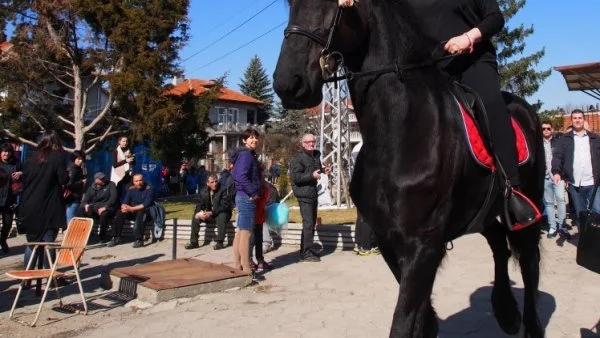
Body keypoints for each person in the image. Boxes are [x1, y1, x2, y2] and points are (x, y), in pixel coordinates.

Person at [402, 0, 539, 228]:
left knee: (490, 103)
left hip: (472, 61)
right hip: (431, 68)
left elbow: (495, 18)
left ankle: (512, 190)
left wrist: (468, 37)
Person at [19, 130, 68, 268]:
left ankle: (27, 276)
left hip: (30, 205)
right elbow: (63, 179)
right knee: (48, 242)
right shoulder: (57, 158)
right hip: (49, 206)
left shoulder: (30, 159)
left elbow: (25, 180)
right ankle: (49, 276)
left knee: (32, 243)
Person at [552, 109, 600, 236]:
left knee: (597, 211)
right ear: (572, 120)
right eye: (575, 118)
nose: (577, 120)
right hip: (575, 184)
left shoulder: (595, 138)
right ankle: (585, 241)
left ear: (584, 120)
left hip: (593, 183)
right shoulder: (564, 139)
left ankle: (596, 241)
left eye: (580, 118)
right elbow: (557, 157)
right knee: (580, 214)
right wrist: (556, 172)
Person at [290, 133, 331, 262]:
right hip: (303, 193)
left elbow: (316, 169)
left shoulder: (315, 155)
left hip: (313, 193)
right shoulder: (298, 158)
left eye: (312, 141)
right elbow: (296, 178)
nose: (310, 144)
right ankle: (306, 253)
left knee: (311, 223)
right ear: (302, 143)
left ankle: (307, 249)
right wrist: (312, 176)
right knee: (308, 223)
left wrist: (324, 170)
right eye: (307, 142)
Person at [230, 128, 261, 275]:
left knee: (240, 232)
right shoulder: (246, 155)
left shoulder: (245, 155)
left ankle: (237, 266)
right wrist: (253, 192)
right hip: (246, 197)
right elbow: (240, 176)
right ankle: (246, 268)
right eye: (251, 138)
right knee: (246, 233)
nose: (254, 140)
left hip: (242, 196)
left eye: (256, 137)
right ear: (244, 140)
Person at [185, 174, 232, 250]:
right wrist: (199, 213)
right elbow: (199, 204)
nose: (215, 184)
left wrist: (211, 212)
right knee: (195, 217)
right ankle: (194, 242)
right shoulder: (203, 191)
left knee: (221, 215)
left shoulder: (223, 189)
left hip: (221, 214)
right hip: (210, 215)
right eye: (212, 182)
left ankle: (220, 242)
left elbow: (224, 206)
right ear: (207, 183)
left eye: (216, 181)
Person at [110, 173, 154, 248]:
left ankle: (139, 240)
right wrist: (124, 207)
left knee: (141, 212)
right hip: (133, 211)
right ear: (133, 182)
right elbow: (125, 202)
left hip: (146, 212)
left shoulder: (149, 189)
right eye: (136, 181)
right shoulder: (131, 189)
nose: (139, 183)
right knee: (119, 212)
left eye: (140, 180)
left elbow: (145, 204)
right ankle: (116, 237)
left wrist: (131, 208)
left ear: (143, 180)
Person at [541, 122, 568, 239]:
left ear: (552, 129)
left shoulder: (559, 142)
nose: (546, 130)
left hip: (558, 176)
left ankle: (562, 226)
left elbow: (564, 160)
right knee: (549, 202)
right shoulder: (538, 144)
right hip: (545, 177)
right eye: (543, 129)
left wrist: (566, 176)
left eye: (548, 128)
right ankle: (552, 226)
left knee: (561, 200)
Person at [78, 172, 117, 242]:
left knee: (104, 214)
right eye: (101, 179)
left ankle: (102, 236)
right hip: (95, 207)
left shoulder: (111, 184)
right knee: (81, 210)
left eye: (104, 178)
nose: (103, 180)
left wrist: (105, 207)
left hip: (107, 207)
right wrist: (86, 205)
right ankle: (84, 232)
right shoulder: (92, 188)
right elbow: (85, 200)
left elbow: (113, 198)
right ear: (96, 180)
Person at [0, 143, 22, 253]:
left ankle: (3, 240)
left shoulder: (16, 163)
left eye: (8, 151)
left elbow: (24, 173)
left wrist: (20, 173)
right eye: (4, 151)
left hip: (9, 198)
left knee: (8, 223)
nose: (6, 153)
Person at [110, 136, 135, 203]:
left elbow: (133, 162)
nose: (125, 143)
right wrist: (126, 161)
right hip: (118, 175)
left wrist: (132, 159)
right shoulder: (116, 151)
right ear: (119, 142)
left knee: (129, 191)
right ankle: (117, 209)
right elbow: (115, 165)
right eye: (123, 141)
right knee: (117, 193)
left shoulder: (129, 150)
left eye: (126, 141)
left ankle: (129, 207)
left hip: (128, 174)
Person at [65, 150, 86, 226]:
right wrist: (81, 182)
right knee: (70, 219)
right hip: (72, 197)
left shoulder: (77, 168)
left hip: (74, 197)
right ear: (74, 158)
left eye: (82, 159)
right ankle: (69, 235)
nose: (80, 161)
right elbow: (69, 183)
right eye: (78, 159)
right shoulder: (73, 168)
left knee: (72, 217)